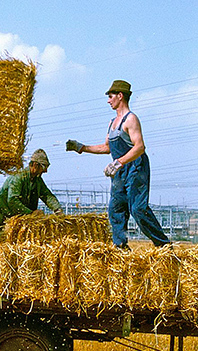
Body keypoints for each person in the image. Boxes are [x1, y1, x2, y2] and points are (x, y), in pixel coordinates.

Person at [66, 79, 170, 249]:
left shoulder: (131, 119)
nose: (108, 100)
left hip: (136, 168)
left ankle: (164, 246)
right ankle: (120, 247)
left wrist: (119, 162)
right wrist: (82, 147)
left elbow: (140, 147)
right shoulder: (112, 123)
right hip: (120, 171)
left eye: (110, 96)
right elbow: (107, 148)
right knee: (116, 209)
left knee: (137, 209)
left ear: (120, 96)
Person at [0, 149, 63, 245]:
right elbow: (12, 201)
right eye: (44, 167)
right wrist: (31, 213)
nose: (45, 171)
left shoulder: (37, 180)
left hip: (17, 220)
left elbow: (47, 195)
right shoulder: (18, 177)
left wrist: (58, 210)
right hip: (3, 217)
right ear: (35, 165)